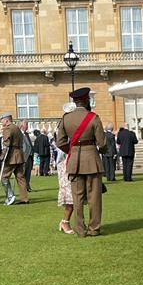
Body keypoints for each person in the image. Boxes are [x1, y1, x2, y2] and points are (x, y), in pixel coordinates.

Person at [55, 87, 107, 237]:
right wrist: (102, 151)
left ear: (75, 101)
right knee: (94, 197)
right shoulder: (94, 117)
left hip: (74, 161)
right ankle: (94, 228)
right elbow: (102, 143)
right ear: (86, 100)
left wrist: (72, 150)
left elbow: (60, 142)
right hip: (92, 160)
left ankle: (80, 229)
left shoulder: (66, 118)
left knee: (77, 198)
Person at [54, 103, 76, 234]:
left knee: (79, 195)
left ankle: (75, 222)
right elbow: (60, 147)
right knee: (70, 196)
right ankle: (65, 222)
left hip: (75, 160)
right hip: (65, 163)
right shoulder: (63, 127)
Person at [0, 112, 29, 206]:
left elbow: (6, 144)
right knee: (20, 177)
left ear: (6, 120)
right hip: (19, 154)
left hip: (12, 156)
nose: (1, 122)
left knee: (4, 177)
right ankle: (24, 198)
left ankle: (10, 196)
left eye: (2, 120)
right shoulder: (17, 128)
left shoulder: (8, 128)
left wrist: (2, 156)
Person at [19, 119, 34, 192]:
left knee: (28, 173)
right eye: (26, 124)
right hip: (23, 157)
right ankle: (24, 188)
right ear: (21, 125)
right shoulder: (19, 134)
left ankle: (27, 186)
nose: (27, 126)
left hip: (29, 157)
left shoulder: (26, 134)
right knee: (23, 173)